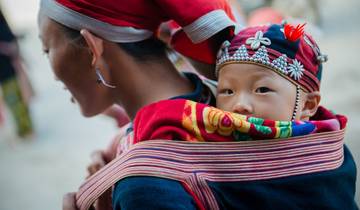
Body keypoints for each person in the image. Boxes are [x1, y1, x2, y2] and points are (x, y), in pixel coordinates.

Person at [81, 23, 358, 210]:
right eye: (226, 90)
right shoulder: (211, 129)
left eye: (262, 89)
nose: (240, 105)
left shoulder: (326, 153)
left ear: (309, 104)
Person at [38, 0, 237, 209]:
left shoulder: (143, 185)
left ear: (90, 49)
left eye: (46, 49)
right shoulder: (236, 105)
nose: (53, 77)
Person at [0, 8, 34, 138]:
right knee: (16, 101)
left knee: (16, 101)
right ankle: (25, 130)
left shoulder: (2, 24)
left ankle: (26, 131)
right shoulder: (3, 23)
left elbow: (12, 43)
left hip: (9, 71)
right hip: (8, 71)